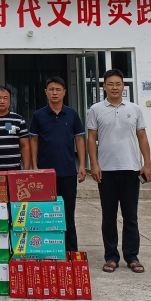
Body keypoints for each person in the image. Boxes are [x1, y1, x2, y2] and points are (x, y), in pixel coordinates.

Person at [87, 68, 151, 274]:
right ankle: (111, 257)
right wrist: (94, 164)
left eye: (118, 84)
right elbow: (91, 138)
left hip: (131, 169)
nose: (114, 87)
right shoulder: (95, 109)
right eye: (110, 84)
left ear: (123, 86)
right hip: (106, 170)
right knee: (108, 216)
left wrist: (147, 164)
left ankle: (132, 256)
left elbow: (142, 137)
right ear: (104, 87)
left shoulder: (134, 109)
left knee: (130, 216)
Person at [28, 76, 86, 253]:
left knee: (67, 213)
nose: (55, 93)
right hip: (44, 173)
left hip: (68, 171)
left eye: (58, 90)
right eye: (51, 89)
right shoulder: (38, 115)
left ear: (64, 92)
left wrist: (82, 165)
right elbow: (33, 141)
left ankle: (70, 251)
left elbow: (79, 139)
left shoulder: (72, 114)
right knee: (44, 213)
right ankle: (48, 249)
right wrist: (34, 166)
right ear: (46, 92)